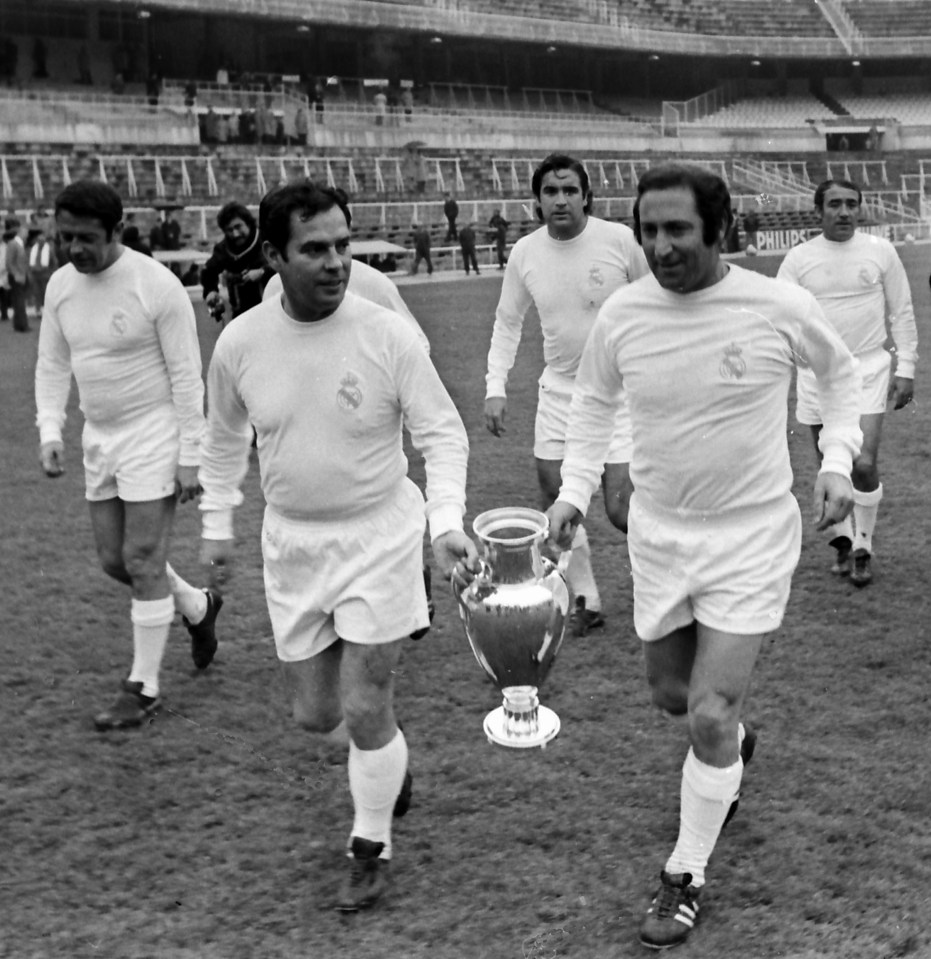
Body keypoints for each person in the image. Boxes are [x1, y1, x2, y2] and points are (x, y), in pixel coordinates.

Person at [546, 164, 861, 949]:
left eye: (677, 229)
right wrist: (573, 492)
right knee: (673, 698)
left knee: (708, 711)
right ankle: (730, 747)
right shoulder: (623, 313)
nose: (660, 246)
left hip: (751, 534)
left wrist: (834, 457)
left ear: (717, 230)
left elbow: (841, 373)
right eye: (648, 230)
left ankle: (684, 874)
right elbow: (591, 403)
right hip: (658, 534)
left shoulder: (775, 303)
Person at [197, 181, 478, 913]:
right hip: (291, 545)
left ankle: (369, 842)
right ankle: (383, 761)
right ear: (272, 255)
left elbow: (442, 432)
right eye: (314, 249)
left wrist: (443, 520)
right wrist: (218, 521)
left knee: (365, 703)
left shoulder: (385, 332)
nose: (334, 263)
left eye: (342, 246)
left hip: (380, 536)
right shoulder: (241, 342)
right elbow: (224, 439)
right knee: (317, 716)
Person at [34, 180, 224, 731]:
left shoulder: (154, 285)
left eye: (86, 238)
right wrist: (51, 429)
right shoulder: (61, 288)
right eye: (65, 236)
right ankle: (196, 607)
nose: (74, 249)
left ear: (116, 231)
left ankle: (143, 687)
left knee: (142, 559)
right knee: (115, 561)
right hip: (100, 438)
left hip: (154, 434)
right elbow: (52, 365)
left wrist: (191, 454)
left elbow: (188, 377)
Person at [484, 152, 650, 636]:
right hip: (558, 393)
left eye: (570, 190)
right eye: (551, 192)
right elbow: (507, 322)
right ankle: (587, 599)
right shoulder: (525, 253)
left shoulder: (619, 241)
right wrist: (496, 387)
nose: (561, 200)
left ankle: (666, 579)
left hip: (618, 395)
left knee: (622, 508)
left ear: (587, 196)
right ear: (536, 201)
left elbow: (657, 301)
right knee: (556, 502)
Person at [776, 179, 918, 586]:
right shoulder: (799, 259)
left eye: (851, 204)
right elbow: (781, 317)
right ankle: (841, 540)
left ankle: (863, 546)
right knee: (829, 465)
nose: (844, 212)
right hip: (817, 375)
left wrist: (905, 367)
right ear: (818, 210)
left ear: (860, 209)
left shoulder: (880, 252)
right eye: (834, 204)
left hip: (868, 369)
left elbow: (902, 311)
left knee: (864, 463)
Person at [201, 201, 275, 322]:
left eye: (238, 227)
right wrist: (211, 292)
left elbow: (286, 264)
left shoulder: (267, 239)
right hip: (241, 314)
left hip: (272, 309)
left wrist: (263, 272)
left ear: (248, 223)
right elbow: (208, 272)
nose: (235, 234)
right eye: (229, 230)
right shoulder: (223, 249)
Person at [4, 217, 30, 332]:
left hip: (21, 276)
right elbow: (9, 262)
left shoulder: (20, 244)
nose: (27, 234)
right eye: (26, 231)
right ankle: (21, 325)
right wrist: (16, 274)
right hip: (16, 277)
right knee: (19, 301)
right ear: (21, 232)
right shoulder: (13, 244)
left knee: (19, 301)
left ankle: (20, 324)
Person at [27, 227, 59, 320]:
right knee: (36, 293)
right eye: (39, 240)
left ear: (44, 241)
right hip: (35, 275)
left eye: (42, 240)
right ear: (37, 241)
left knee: (46, 294)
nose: (40, 242)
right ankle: (38, 311)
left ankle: (46, 311)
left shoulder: (49, 249)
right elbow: (29, 262)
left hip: (45, 275)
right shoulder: (33, 249)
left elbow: (54, 262)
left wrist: (53, 273)